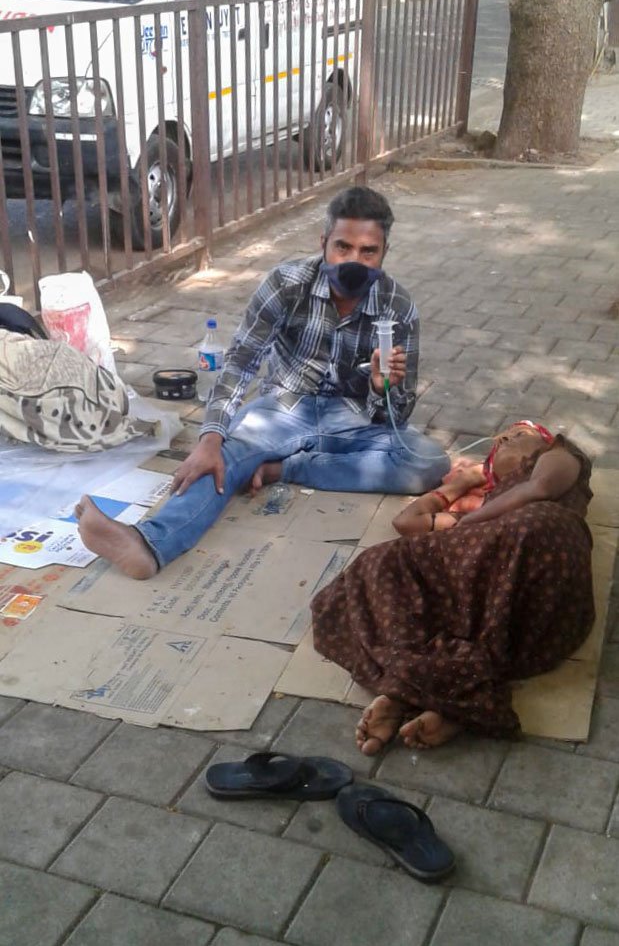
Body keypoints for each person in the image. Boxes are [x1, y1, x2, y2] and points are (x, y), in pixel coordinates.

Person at [76, 185, 449, 578]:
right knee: (226, 457)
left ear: (384, 253)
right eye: (342, 247)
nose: (352, 260)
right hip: (285, 408)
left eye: (367, 252)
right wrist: (209, 439)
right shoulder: (286, 285)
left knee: (427, 461)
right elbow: (239, 364)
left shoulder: (398, 308)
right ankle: (149, 544)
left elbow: (397, 415)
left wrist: (381, 387)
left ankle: (284, 469)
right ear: (323, 243)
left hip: (352, 418)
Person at [311, 421, 595, 753]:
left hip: (542, 538)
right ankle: (444, 697)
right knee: (379, 564)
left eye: (519, 434)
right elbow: (405, 523)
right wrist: (463, 483)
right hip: (504, 592)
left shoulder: (559, 455)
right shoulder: (491, 504)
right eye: (499, 441)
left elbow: (541, 488)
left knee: (385, 565)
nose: (504, 438)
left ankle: (411, 688)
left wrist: (472, 520)